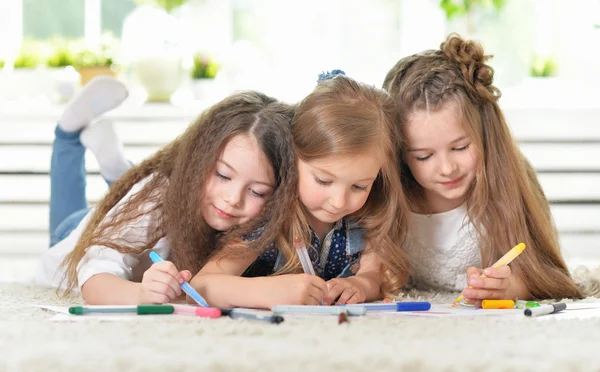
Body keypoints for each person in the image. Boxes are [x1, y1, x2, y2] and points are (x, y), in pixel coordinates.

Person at [35, 77, 298, 305]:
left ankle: (118, 171)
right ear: (197, 159)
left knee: (140, 200)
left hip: (135, 211)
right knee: (91, 217)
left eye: (257, 192)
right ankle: (67, 136)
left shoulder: (263, 222)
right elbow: (94, 283)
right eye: (222, 175)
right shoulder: (155, 198)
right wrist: (142, 293)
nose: (233, 199)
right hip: (76, 233)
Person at [382, 34, 583, 305]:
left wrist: (513, 287)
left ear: (485, 134)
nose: (446, 168)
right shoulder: (390, 198)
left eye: (460, 148)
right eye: (424, 156)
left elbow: (548, 275)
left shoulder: (510, 183)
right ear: (400, 155)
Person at [189, 71, 412, 308]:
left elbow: (373, 276)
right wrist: (267, 292)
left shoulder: (368, 216)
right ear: (292, 159)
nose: (339, 201)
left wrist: (360, 285)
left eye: (359, 186)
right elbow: (202, 285)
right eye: (323, 181)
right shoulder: (269, 218)